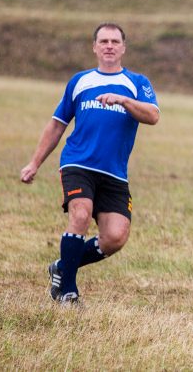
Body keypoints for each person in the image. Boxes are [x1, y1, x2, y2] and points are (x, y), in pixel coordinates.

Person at [20, 23, 159, 305]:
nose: (109, 45)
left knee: (115, 237)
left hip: (115, 173)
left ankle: (62, 267)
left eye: (115, 41)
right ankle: (67, 293)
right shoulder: (80, 81)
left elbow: (153, 115)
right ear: (95, 47)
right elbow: (57, 125)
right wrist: (34, 163)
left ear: (123, 48)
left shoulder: (137, 82)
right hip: (78, 163)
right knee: (81, 216)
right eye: (103, 41)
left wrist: (123, 100)